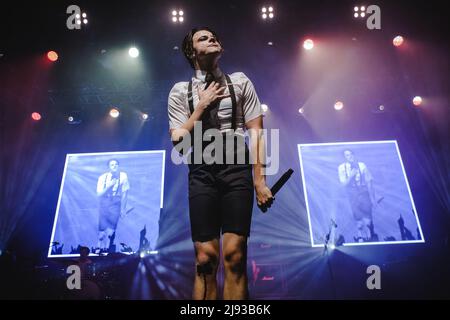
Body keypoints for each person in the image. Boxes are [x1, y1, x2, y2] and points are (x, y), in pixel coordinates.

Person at [167, 27, 273, 300]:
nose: (212, 38)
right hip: (201, 171)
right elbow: (178, 140)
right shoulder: (180, 92)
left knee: (235, 256)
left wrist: (259, 180)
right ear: (192, 52)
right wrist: (201, 106)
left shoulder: (240, 82)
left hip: (236, 168)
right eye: (203, 38)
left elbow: (257, 133)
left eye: (214, 36)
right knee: (205, 259)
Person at [338, 149, 377, 242]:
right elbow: (343, 184)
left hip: (363, 192)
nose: (350, 156)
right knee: (358, 216)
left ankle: (370, 236)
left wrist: (372, 198)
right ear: (344, 158)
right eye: (347, 155)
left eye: (351, 154)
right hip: (352, 193)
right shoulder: (341, 167)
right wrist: (351, 175)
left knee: (367, 215)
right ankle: (360, 237)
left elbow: (369, 181)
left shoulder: (362, 165)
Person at [96, 159, 130, 252]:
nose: (114, 166)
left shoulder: (123, 176)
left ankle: (106, 248)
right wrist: (109, 186)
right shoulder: (102, 177)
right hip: (104, 202)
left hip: (116, 202)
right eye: (112, 165)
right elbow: (99, 194)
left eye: (116, 164)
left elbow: (125, 193)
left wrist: (123, 209)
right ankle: (99, 247)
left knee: (111, 228)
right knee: (102, 230)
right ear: (108, 167)